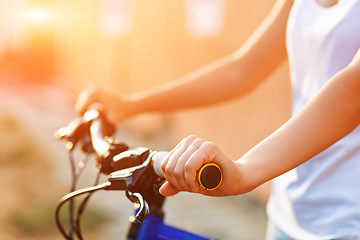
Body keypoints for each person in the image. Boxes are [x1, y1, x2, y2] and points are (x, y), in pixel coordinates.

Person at [75, 0, 360, 239]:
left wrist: (245, 172)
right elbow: (242, 69)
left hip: (348, 219)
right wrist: (130, 106)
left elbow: (352, 93)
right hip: (290, 209)